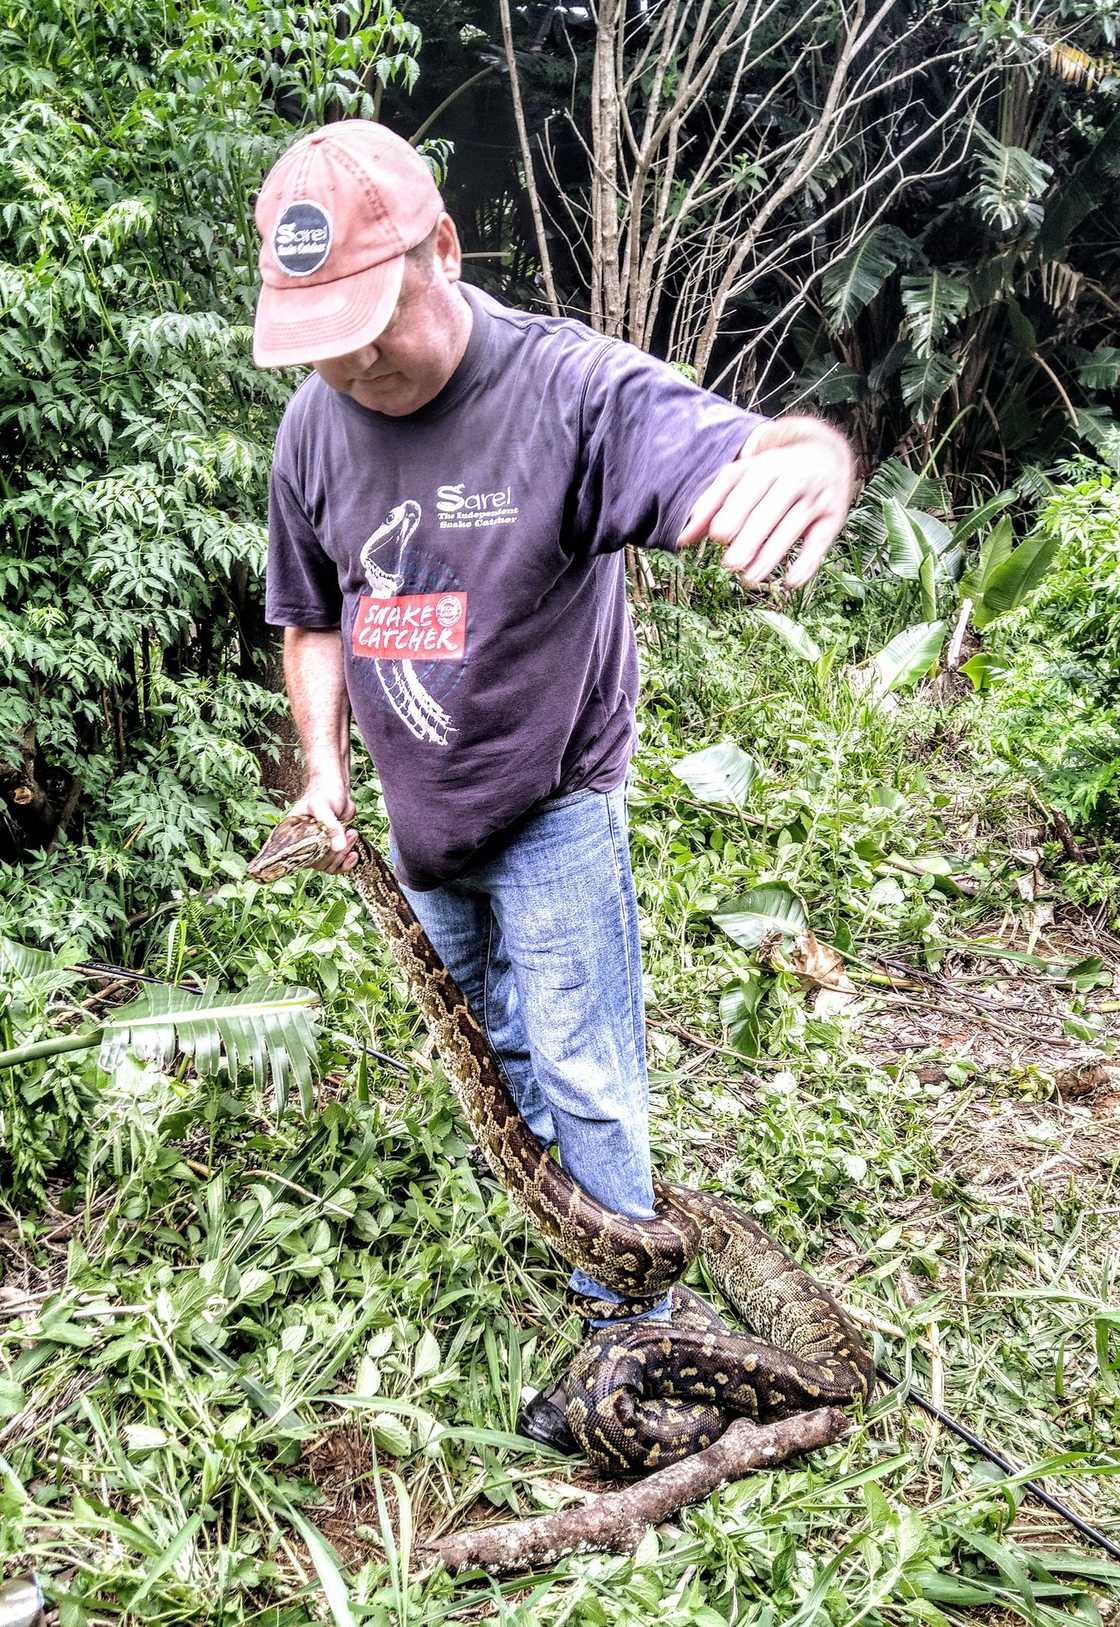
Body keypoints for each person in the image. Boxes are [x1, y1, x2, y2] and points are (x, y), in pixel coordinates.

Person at [252, 121, 854, 1424]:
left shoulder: (563, 389)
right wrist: (324, 773)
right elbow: (310, 615)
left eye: (369, 318)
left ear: (445, 252)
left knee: (583, 1072)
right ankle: (590, 1257)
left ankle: (630, 1331)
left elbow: (726, 446)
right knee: (502, 1055)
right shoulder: (313, 425)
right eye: (322, 334)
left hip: (551, 803)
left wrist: (806, 458)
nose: (351, 360)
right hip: (418, 828)